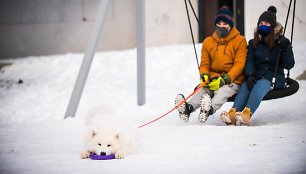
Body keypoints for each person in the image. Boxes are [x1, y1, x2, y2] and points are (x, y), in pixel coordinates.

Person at [220, 6, 295, 126]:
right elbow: (249, 61)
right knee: (246, 86)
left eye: (266, 23)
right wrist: (249, 74)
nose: (262, 25)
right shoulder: (253, 43)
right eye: (260, 22)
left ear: (272, 25)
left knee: (260, 85)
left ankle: (246, 114)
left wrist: (286, 49)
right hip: (256, 74)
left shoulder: (280, 42)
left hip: (273, 77)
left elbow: (289, 65)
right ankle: (233, 113)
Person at [175, 6, 247, 123]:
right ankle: (188, 108)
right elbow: (205, 63)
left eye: (224, 23)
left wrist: (225, 79)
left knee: (222, 92)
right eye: (218, 23)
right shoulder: (208, 42)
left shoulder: (240, 41)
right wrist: (204, 75)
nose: (221, 26)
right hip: (213, 78)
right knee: (202, 89)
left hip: (232, 80)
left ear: (230, 25)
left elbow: (240, 64)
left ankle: (208, 109)